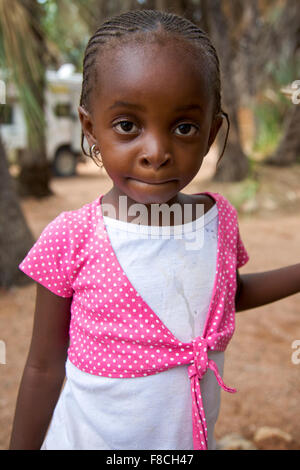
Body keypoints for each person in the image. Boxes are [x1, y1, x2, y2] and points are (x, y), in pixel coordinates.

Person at [9, 10, 300, 451]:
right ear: (91, 128)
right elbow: (43, 368)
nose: (157, 152)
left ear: (211, 134)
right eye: (128, 126)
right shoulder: (72, 236)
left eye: (184, 128)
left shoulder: (217, 221)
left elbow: (226, 296)